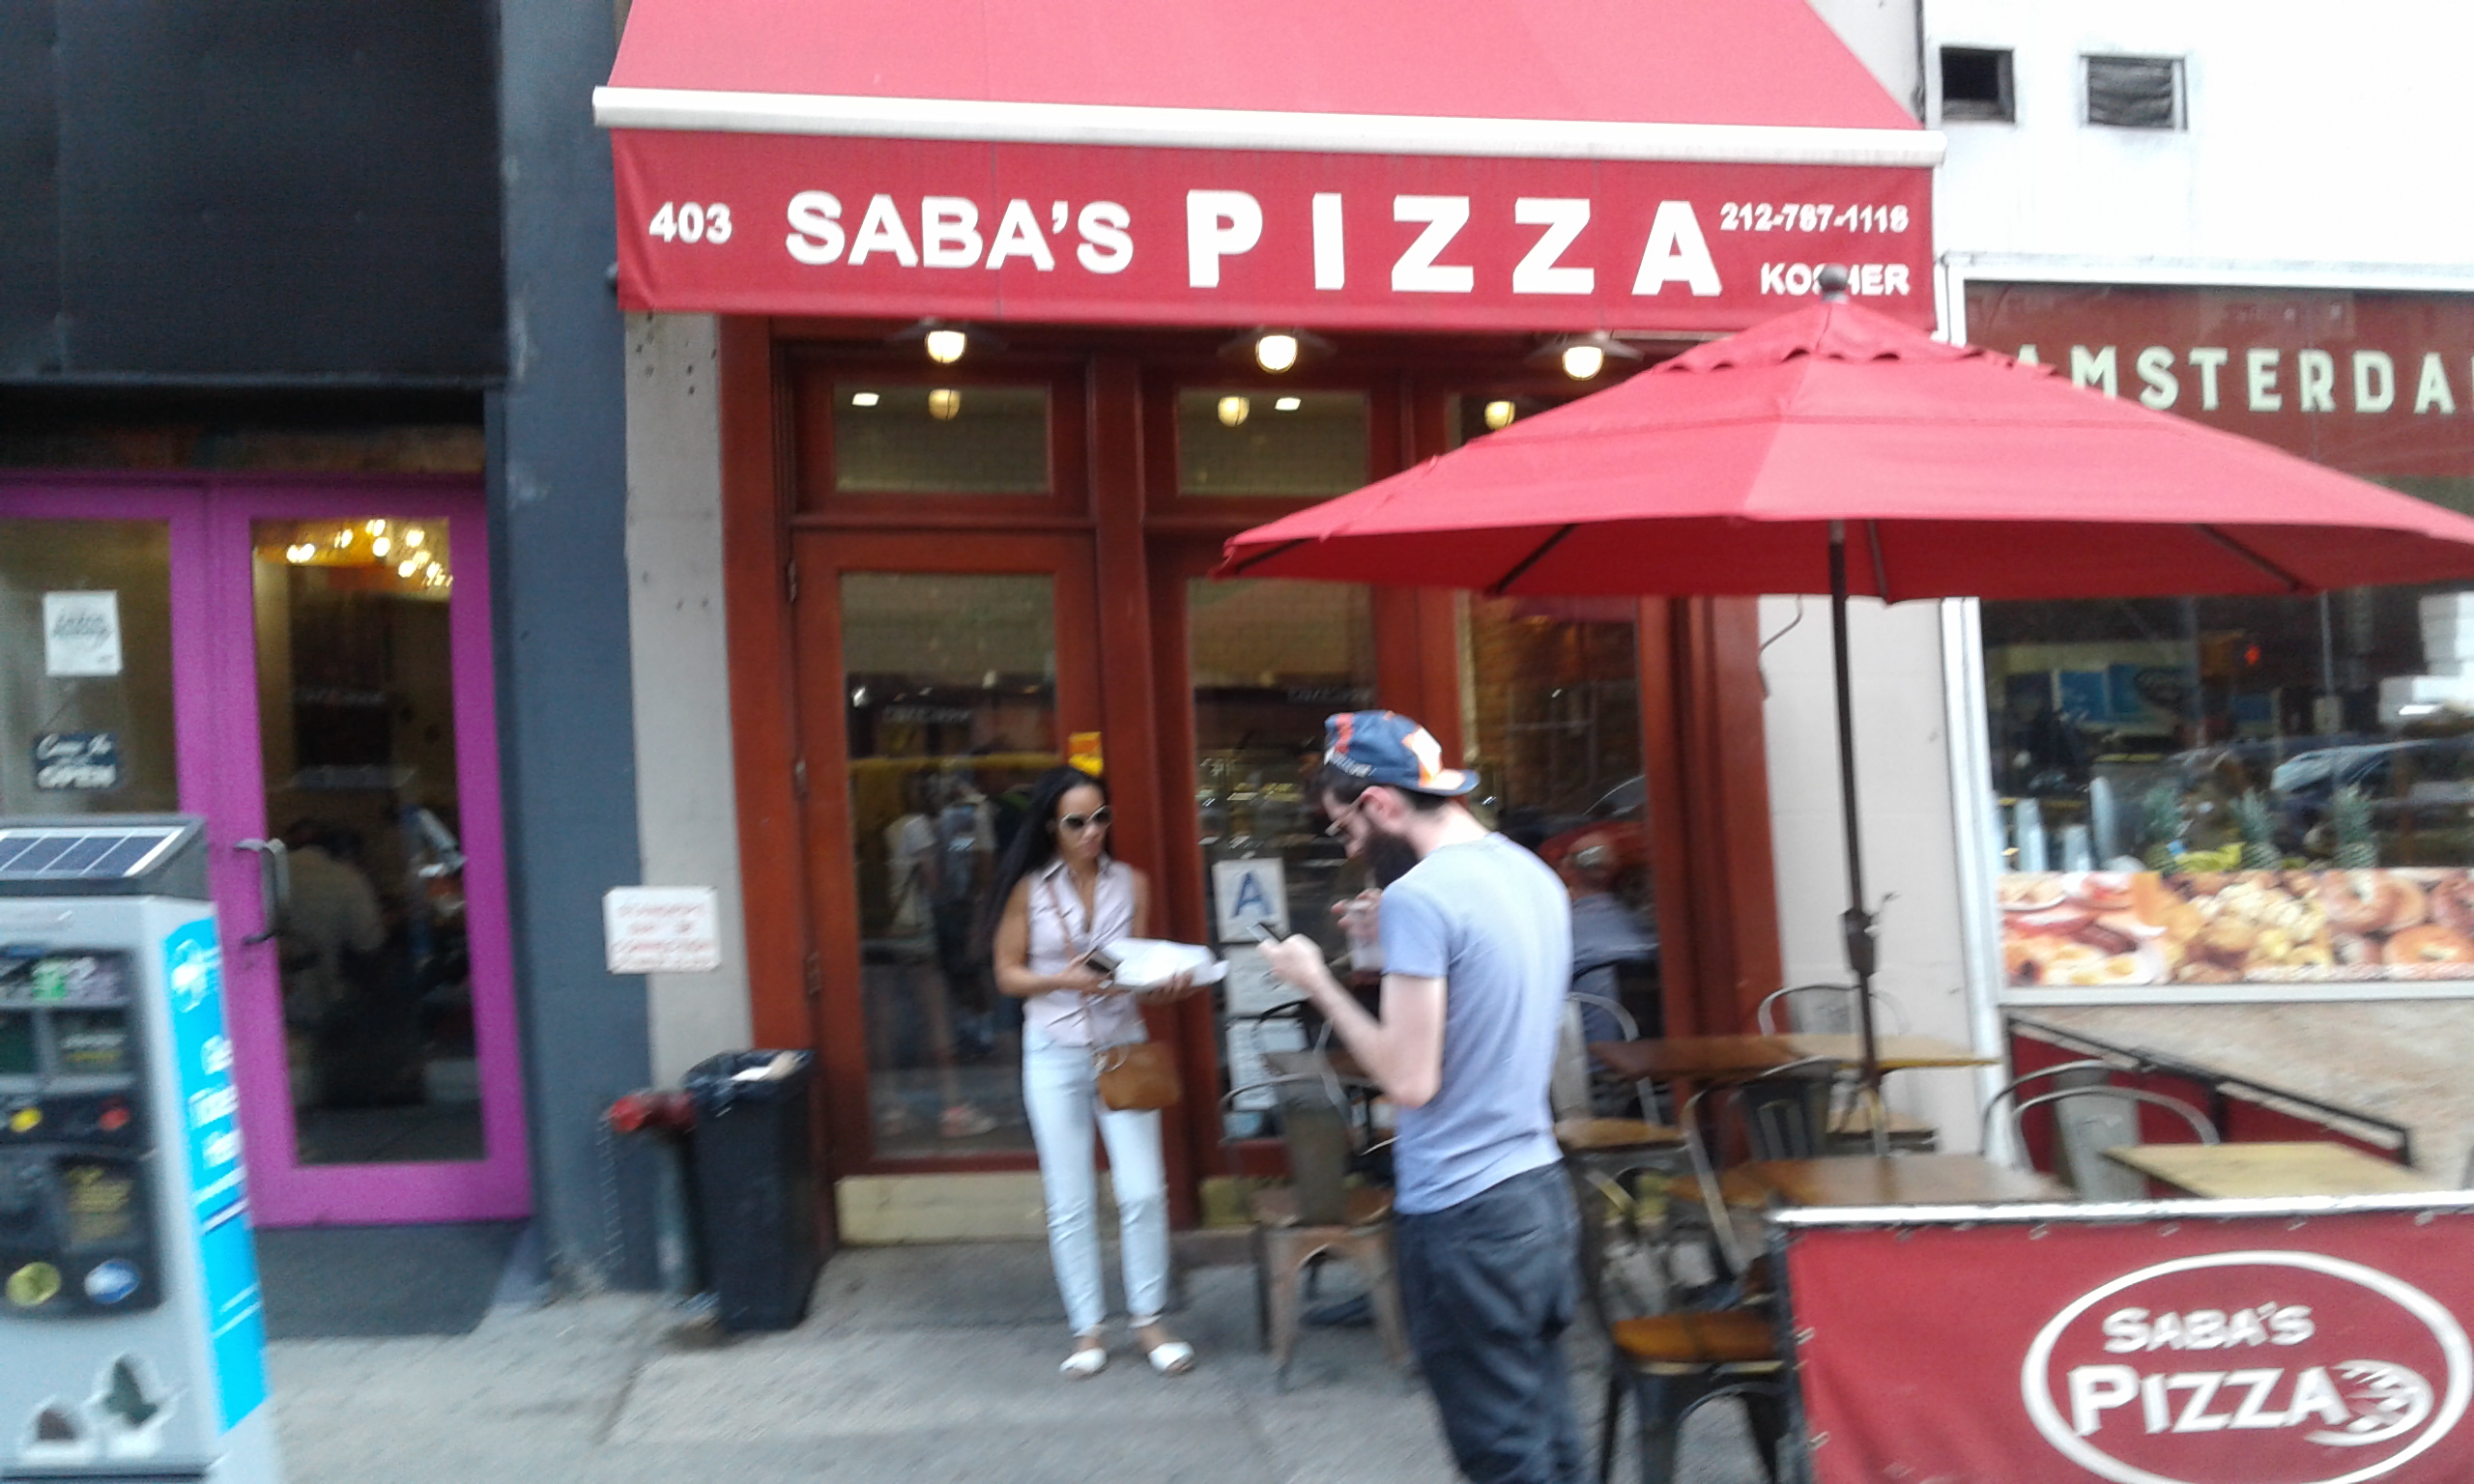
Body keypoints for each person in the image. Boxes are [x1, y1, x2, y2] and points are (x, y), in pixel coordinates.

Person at [1261, 711, 1584, 1484]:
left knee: (1504, 1456)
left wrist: (1319, 981)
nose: (1351, 851)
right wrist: (1388, 946)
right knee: (1550, 1431)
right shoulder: (1531, 873)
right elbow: (1483, 1001)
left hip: (1463, 1214)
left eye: (1346, 829)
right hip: (1539, 1194)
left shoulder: (1421, 897)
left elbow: (1409, 1080)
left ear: (1380, 804)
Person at [982, 765, 1202, 1380]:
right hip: (1052, 1048)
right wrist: (1064, 978)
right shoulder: (1029, 889)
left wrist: (1168, 985)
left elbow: (1137, 969)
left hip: (1122, 1044)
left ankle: (1149, 1318)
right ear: (1051, 827)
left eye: (1101, 818)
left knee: (1143, 1189)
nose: (1091, 832)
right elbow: (1007, 973)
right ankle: (1087, 1328)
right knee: (1070, 1195)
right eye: (1076, 822)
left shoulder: (1132, 883)